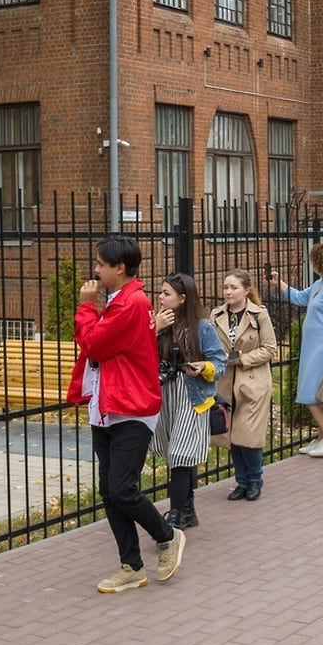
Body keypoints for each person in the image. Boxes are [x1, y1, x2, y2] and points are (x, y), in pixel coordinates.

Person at [66, 236, 185, 593]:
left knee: (121, 488)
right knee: (109, 490)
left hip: (131, 408)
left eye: (101, 264)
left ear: (120, 268)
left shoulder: (130, 303)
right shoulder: (121, 300)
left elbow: (92, 343)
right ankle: (131, 566)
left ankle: (167, 536)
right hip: (109, 406)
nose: (96, 270)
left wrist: (86, 307)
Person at [152, 273, 228, 530]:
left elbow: (220, 362)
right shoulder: (159, 324)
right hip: (166, 398)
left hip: (192, 398)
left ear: (183, 299)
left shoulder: (202, 327)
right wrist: (155, 329)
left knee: (180, 456)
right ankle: (188, 509)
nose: (161, 298)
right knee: (180, 456)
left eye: (166, 294)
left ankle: (174, 516)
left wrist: (203, 367)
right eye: (161, 293)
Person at [274, 242, 323, 457]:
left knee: (309, 393)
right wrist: (279, 283)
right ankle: (321, 437)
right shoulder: (321, 283)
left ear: (321, 261)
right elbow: (299, 298)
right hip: (315, 346)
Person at [211, 268, 278, 502]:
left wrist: (243, 359)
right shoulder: (216, 315)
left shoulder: (259, 315)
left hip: (253, 381)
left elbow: (270, 349)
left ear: (246, 291)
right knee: (232, 434)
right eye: (226, 287)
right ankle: (240, 481)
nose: (228, 292)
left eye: (234, 287)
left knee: (248, 435)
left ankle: (254, 478)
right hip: (226, 382)